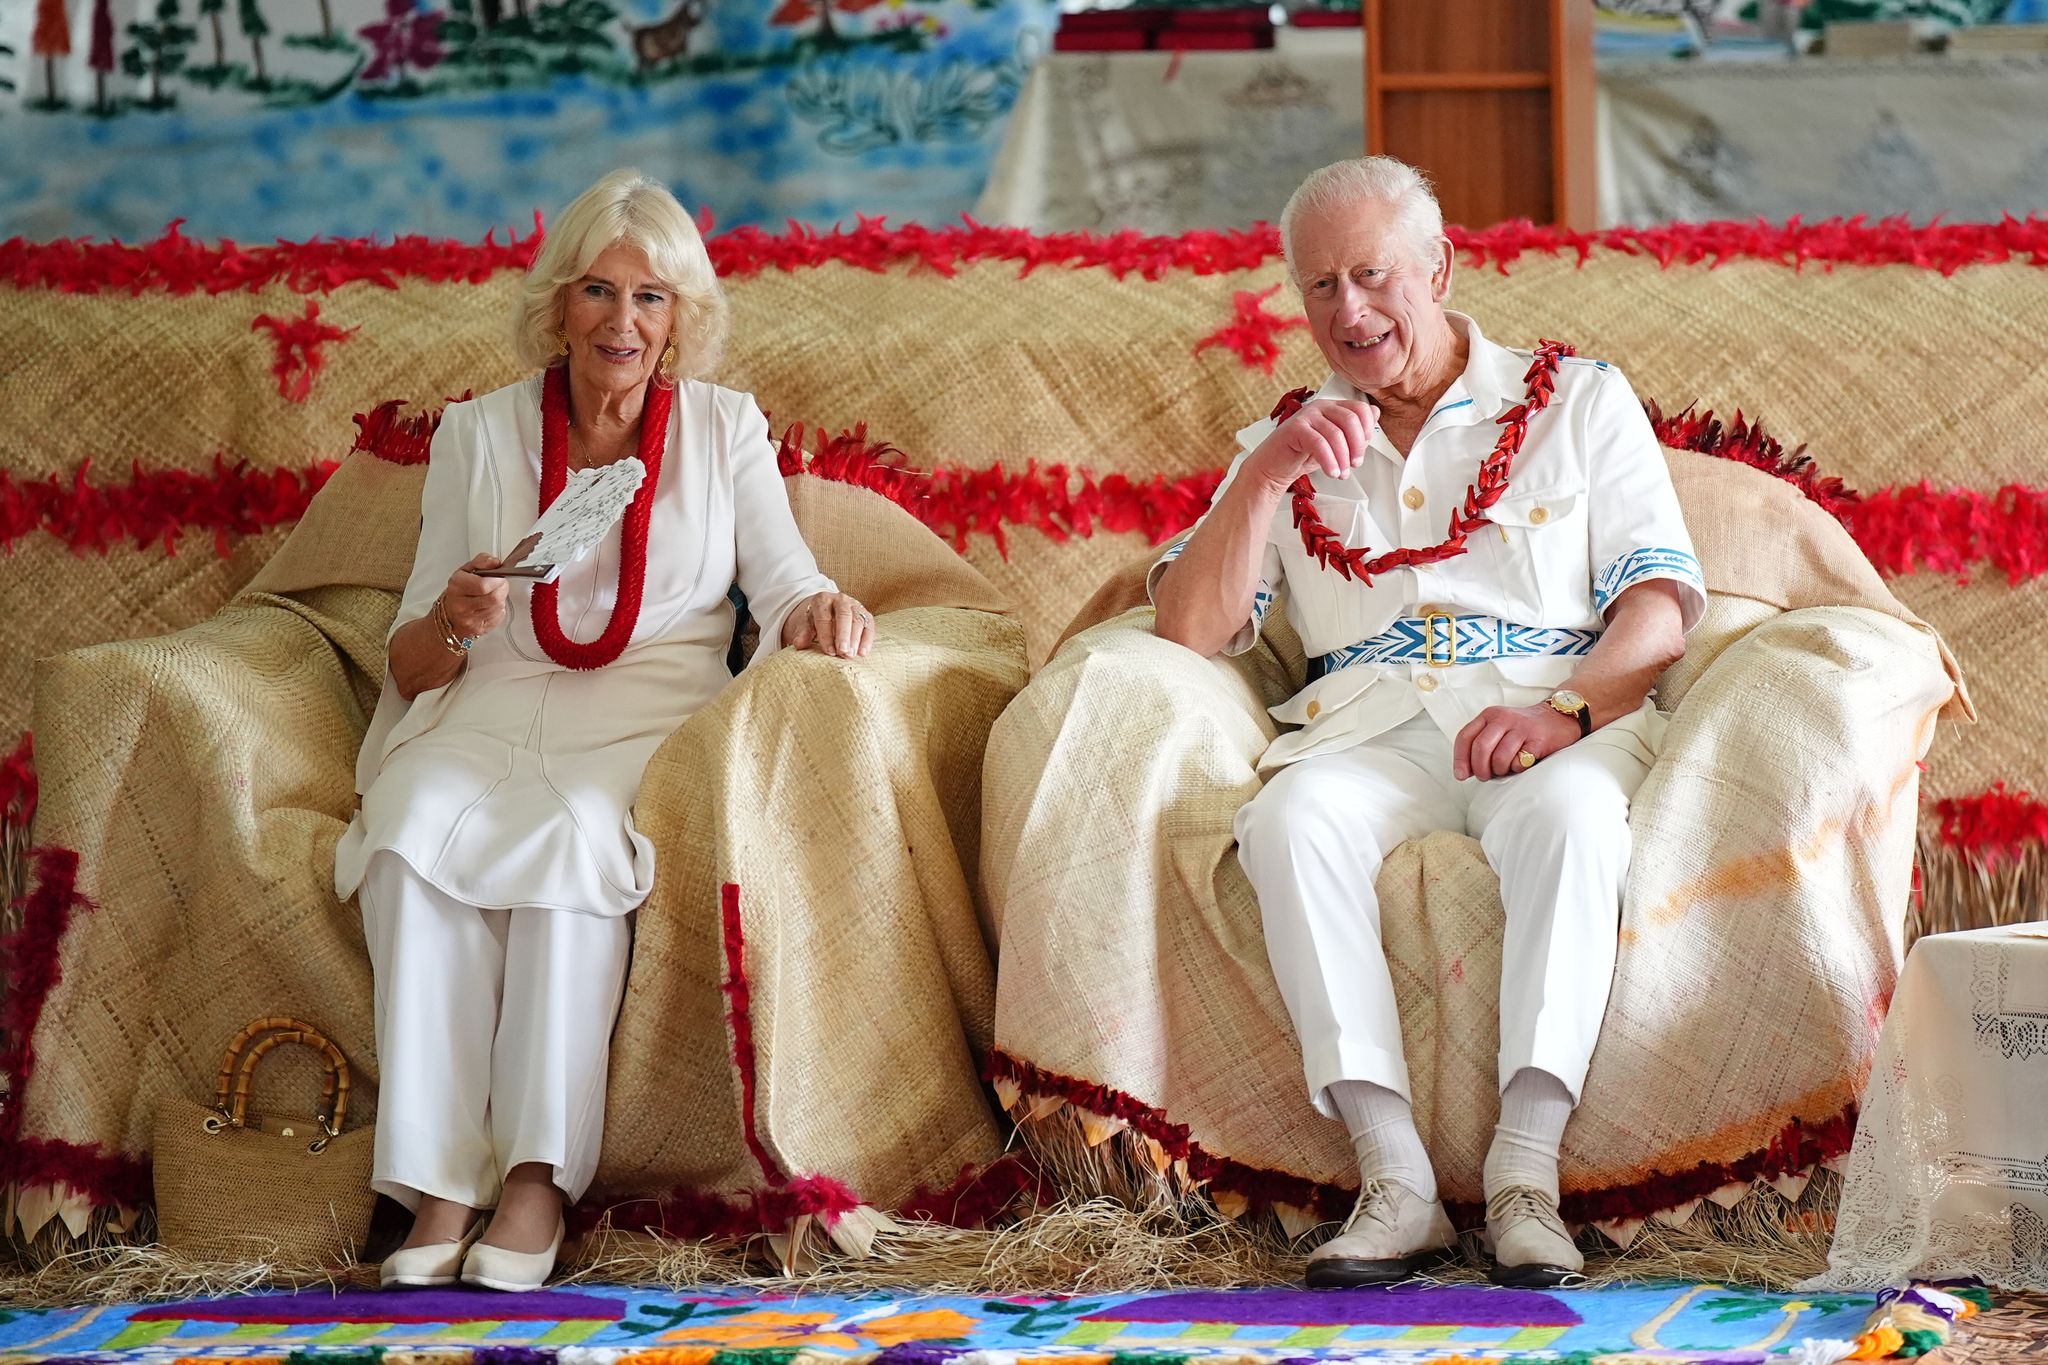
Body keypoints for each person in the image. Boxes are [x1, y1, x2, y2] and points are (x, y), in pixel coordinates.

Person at [1151, 156, 1704, 1289]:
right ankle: (1391, 1177)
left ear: (1438, 269)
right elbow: (1184, 630)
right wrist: (1260, 480)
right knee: (1288, 820)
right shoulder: (1292, 439)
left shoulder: (1575, 398)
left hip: (1546, 711)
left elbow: (1656, 610)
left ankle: (1523, 1175)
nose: (1347, 311)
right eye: (1317, 288)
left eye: (1370, 275)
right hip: (1368, 730)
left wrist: (1562, 709)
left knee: (1573, 825)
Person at [334, 168, 875, 1292]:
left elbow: (782, 586)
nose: (621, 322)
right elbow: (408, 657)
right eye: (596, 292)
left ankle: (534, 1180)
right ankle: (439, 1182)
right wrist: (453, 616)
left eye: (650, 299)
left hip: (640, 715)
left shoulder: (724, 429)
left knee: (576, 840)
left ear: (682, 320)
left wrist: (820, 607)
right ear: (556, 307)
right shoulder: (477, 436)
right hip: (485, 703)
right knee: (407, 823)